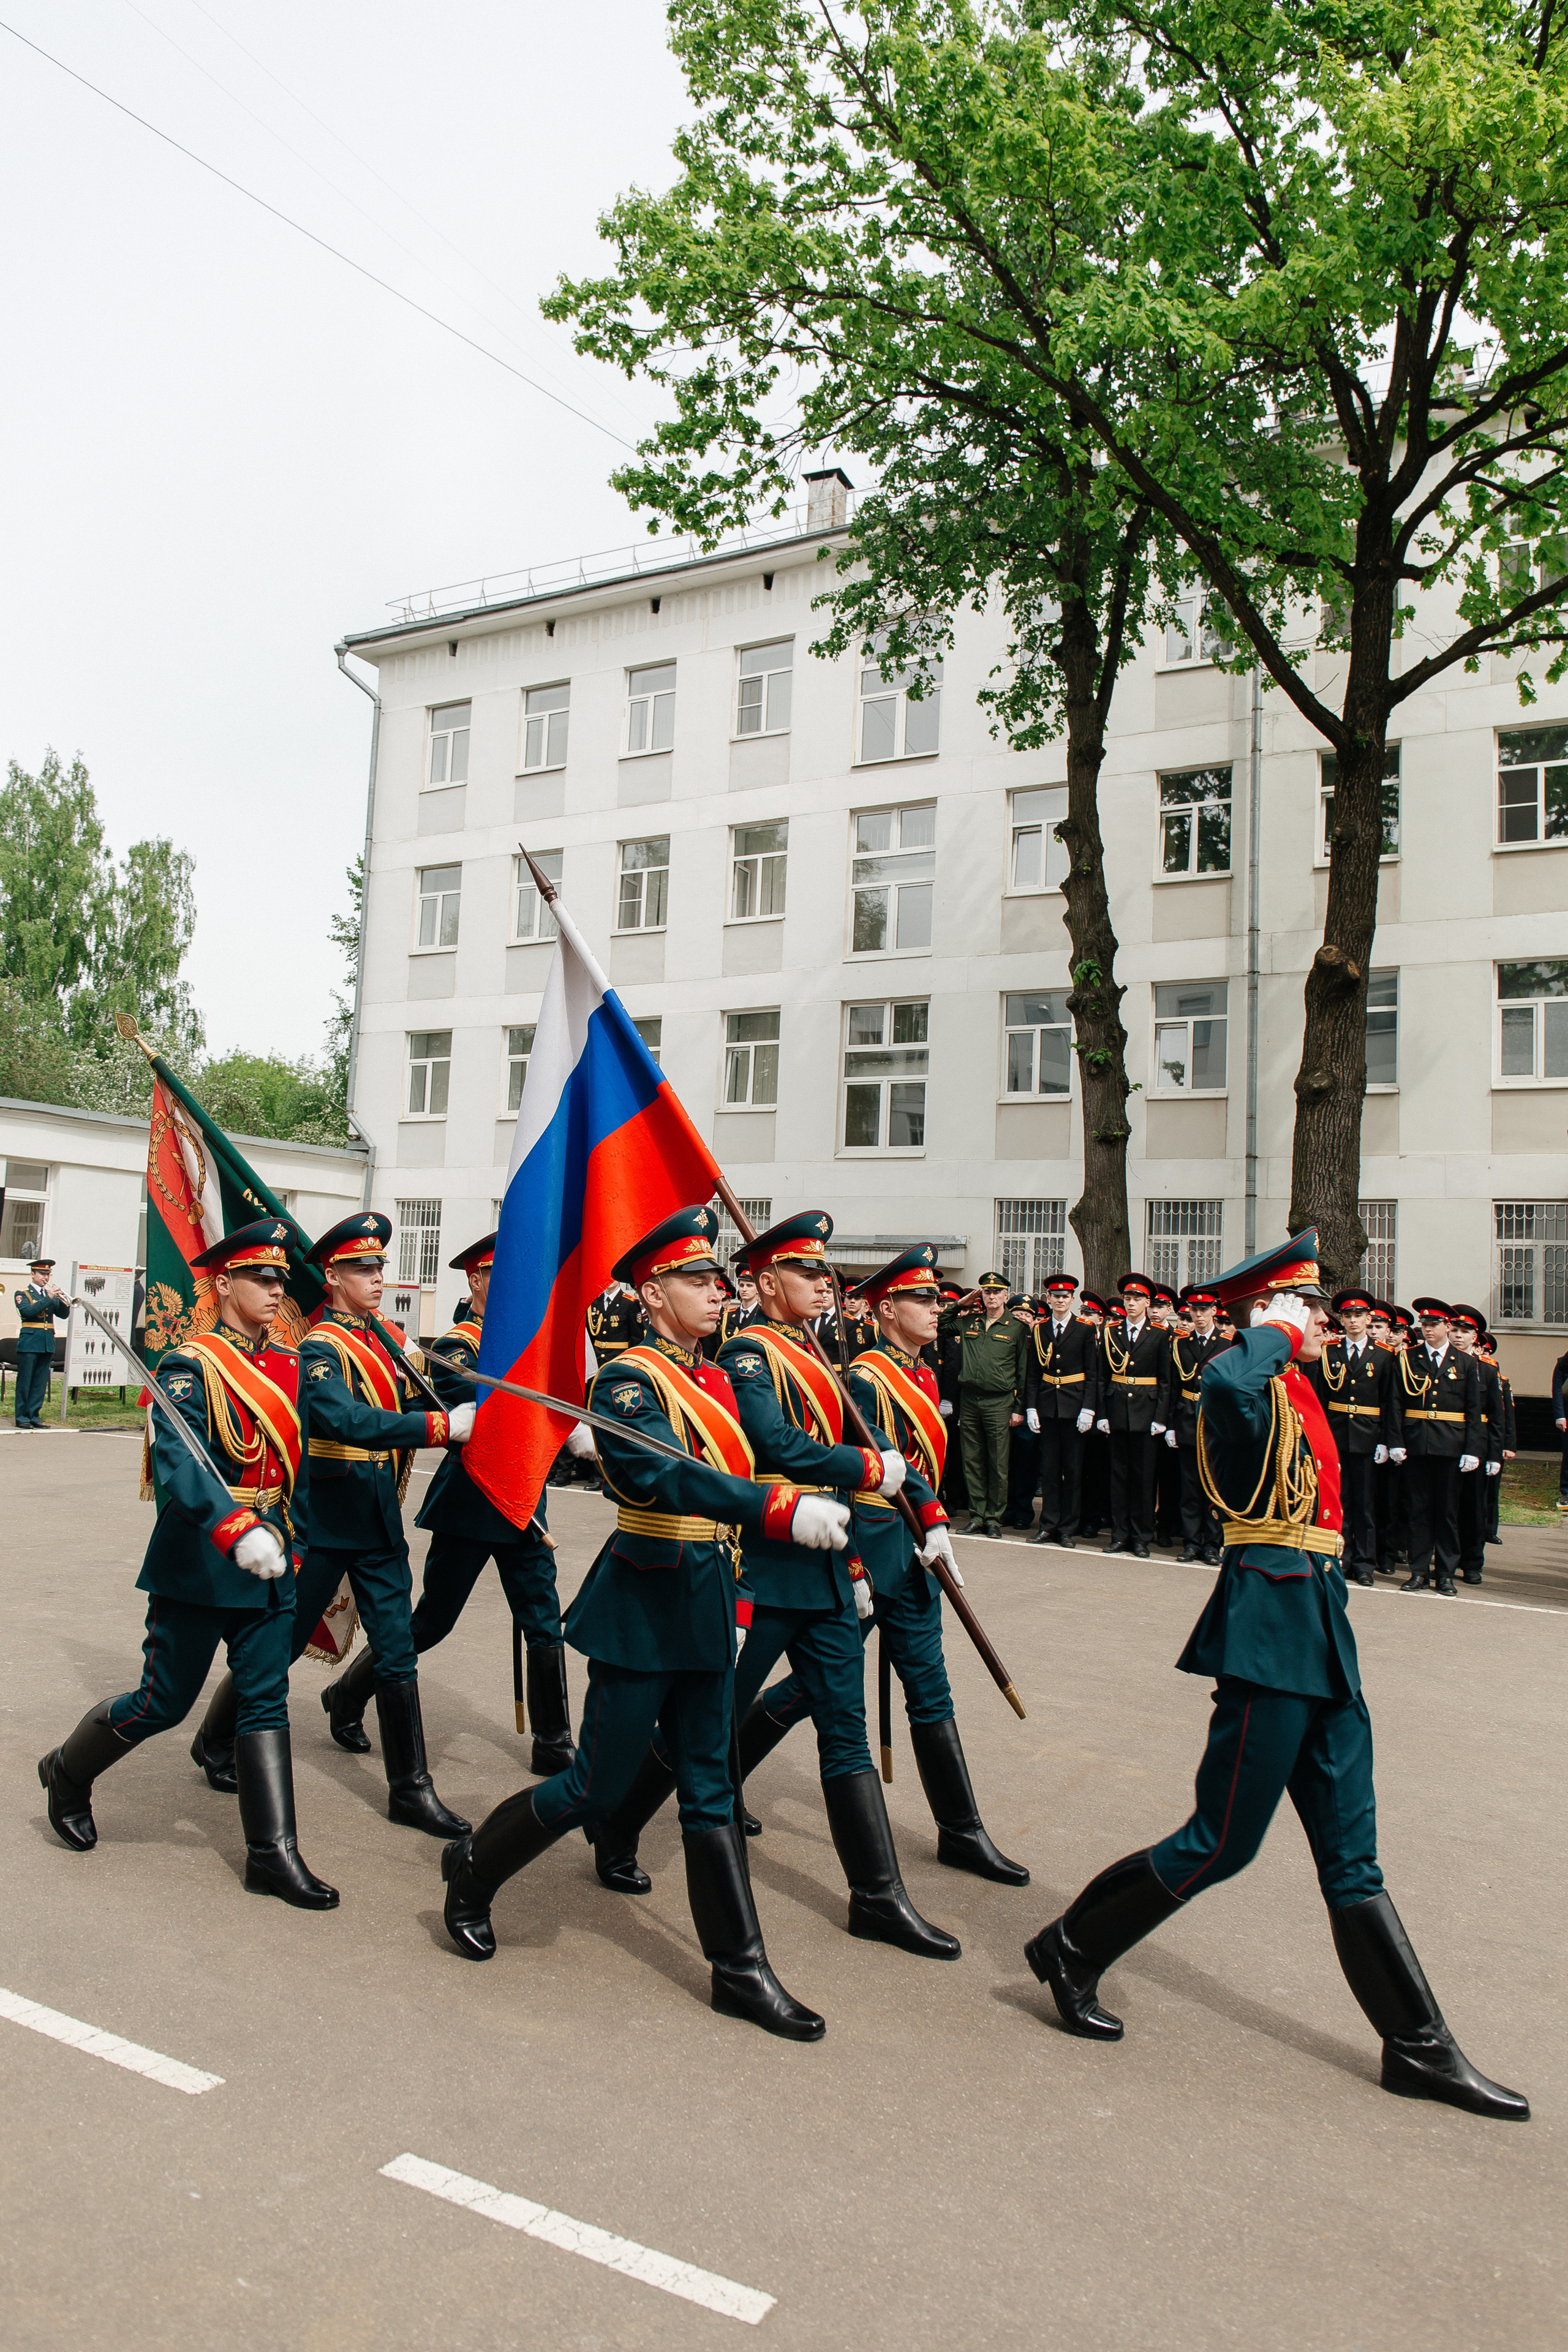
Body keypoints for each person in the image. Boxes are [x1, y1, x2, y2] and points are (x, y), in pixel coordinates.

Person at [1022, 1231, 1528, 2122]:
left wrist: (1285, 1345)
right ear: (1279, 1318)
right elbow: (1222, 1381)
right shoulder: (1248, 1381)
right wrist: (1273, 1333)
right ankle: (1071, 1946)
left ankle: (1420, 2048)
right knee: (1223, 1841)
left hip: (1317, 1624)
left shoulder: (1295, 1387)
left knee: (1351, 1855)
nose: (1330, 1322)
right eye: (1313, 1309)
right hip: (1269, 1629)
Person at [440, 1205, 843, 2040]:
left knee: (709, 1786)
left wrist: (749, 1582)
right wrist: (777, 1508)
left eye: (719, 1282)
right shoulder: (624, 1381)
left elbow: (742, 1473)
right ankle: (475, 1870)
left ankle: (743, 1971)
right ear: (652, 1294)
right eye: (697, 1281)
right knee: (596, 1784)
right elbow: (671, 1479)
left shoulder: (716, 1378)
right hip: (646, 1599)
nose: (717, 1294)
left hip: (706, 1595)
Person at [587, 1211, 961, 1960]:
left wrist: (920, 1502)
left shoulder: (820, 1351)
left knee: (844, 1728)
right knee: (711, 1716)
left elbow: (869, 1436)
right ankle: (619, 1824)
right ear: (765, 1283)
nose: (825, 1284)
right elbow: (772, 1444)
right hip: (761, 1560)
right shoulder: (750, 1353)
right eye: (807, 1273)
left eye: (826, 1273)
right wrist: (861, 1471)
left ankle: (877, 1896)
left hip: (823, 1562)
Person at [37, 1221, 337, 1907]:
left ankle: (273, 1854)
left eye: (280, 1280)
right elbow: (177, 1460)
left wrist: (298, 1544)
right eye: (260, 1278)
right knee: (163, 1702)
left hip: (272, 1554)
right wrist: (235, 1529)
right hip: (204, 1558)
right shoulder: (188, 1365)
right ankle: (68, 1771)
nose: (274, 1290)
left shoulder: (289, 1363)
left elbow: (304, 1465)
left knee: (264, 1702)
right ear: (223, 1283)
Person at [732, 1246, 1028, 1884]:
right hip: (863, 1545)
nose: (936, 1309)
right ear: (887, 1307)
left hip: (911, 1551)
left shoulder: (922, 1372)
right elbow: (868, 1459)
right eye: (923, 1299)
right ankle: (721, 1774)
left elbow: (908, 1464)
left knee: (929, 1688)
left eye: (938, 1299)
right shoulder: (864, 1376)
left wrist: (936, 1523)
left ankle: (962, 1831)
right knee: (815, 1687)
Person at [187, 1213, 475, 1831]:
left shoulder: (382, 1340)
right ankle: (214, 1740)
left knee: (397, 1654)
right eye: (362, 1269)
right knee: (280, 1647)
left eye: (378, 1267)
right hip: (323, 1521)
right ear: (332, 1276)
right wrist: (437, 1428)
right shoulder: (319, 1347)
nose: (376, 1278)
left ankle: (410, 1788)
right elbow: (346, 1421)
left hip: (377, 1521)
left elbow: (419, 1401)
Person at [315, 1233, 575, 1775]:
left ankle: (553, 1741)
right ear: (477, 1281)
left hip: (524, 1496)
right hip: (474, 1500)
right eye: (499, 1275)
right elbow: (465, 1415)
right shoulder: (461, 1343)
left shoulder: (528, 1340)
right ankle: (347, 1695)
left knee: (542, 1617)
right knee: (433, 1620)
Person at [1388, 1298, 1483, 1597]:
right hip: (1416, 1442)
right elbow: (1395, 1403)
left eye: (1434, 1325)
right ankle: (1418, 1573)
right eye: (1424, 1325)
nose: (1427, 1329)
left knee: (1447, 1513)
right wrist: (1395, 1441)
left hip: (1451, 1444)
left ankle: (1445, 1574)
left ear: (1447, 1327)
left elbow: (1473, 1410)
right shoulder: (1407, 1359)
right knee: (1418, 1510)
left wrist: (1472, 1449)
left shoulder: (1465, 1362)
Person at [1312, 1287, 1398, 1587]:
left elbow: (1390, 1402)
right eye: (1347, 1316)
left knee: (1364, 1505)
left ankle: (1364, 1563)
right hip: (1335, 1434)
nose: (1352, 1321)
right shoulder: (1329, 1351)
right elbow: (1320, 1399)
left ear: (1368, 1318)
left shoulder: (1386, 1356)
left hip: (1368, 1436)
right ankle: (1339, 1558)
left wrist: (1388, 1440)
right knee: (1337, 1500)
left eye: (1358, 1315)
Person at [938, 1272, 1028, 1537]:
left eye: (996, 1292)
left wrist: (1018, 1407)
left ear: (1005, 1296)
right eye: (986, 1292)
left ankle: (994, 1520)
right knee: (973, 1460)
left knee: (998, 1463)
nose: (991, 1297)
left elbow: (1022, 1371)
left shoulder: (1016, 1328)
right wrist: (961, 1304)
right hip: (970, 1399)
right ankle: (977, 1516)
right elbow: (941, 1324)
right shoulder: (969, 1322)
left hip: (999, 1401)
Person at [1024, 1273, 1099, 1549]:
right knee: (1050, 1470)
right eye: (1055, 1296)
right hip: (1047, 1406)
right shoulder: (1040, 1328)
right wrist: (1031, 1407)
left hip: (1074, 1406)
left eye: (1065, 1297)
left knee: (1073, 1470)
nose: (1060, 1300)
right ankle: (1048, 1525)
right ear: (1048, 1299)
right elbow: (1033, 1373)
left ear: (1072, 1300)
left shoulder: (1085, 1328)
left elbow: (1092, 1373)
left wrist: (1088, 1409)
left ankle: (1068, 1528)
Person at [1158, 1284, 1230, 1563]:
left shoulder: (1227, 1344)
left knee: (1213, 1487)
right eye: (1194, 1310)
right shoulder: (1179, 1344)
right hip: (1187, 1418)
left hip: (1215, 1421)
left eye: (1204, 1310)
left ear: (1214, 1311)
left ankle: (1212, 1544)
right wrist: (1171, 1424)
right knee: (1189, 1486)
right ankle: (1190, 1542)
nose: (1198, 1316)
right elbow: (1172, 1386)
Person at [1099, 1275, 1167, 1558]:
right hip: (1117, 1411)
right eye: (1128, 1299)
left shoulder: (1161, 1334)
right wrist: (1102, 1413)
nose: (1131, 1304)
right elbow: (1103, 1376)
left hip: (1146, 1412)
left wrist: (1161, 1417)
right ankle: (1120, 1534)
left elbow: (1166, 1380)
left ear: (1147, 1303)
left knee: (1143, 1478)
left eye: (1137, 1299)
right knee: (1118, 1477)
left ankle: (1141, 1537)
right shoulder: (1111, 1331)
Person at [1446, 1307, 1505, 1586]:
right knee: (1447, 1506)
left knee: (1473, 1508)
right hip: (1447, 1442)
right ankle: (1446, 1561)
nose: (1458, 1336)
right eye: (1455, 1330)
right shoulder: (1442, 1364)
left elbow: (1496, 1416)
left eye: (1465, 1332)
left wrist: (1495, 1454)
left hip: (1477, 1445)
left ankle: (1472, 1562)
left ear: (1475, 1337)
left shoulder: (1487, 1370)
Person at [13, 1255, 69, 1428]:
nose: (46, 1278)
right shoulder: (22, 1294)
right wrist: (49, 1298)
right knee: (25, 1381)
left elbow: (63, 1315)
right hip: (30, 1343)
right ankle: (22, 1416)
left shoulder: (49, 1295)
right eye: (42, 1274)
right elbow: (29, 1312)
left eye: (48, 1274)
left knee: (39, 1383)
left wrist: (62, 1300)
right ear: (33, 1274)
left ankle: (34, 1415)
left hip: (46, 1343)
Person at [1476, 1335, 1515, 1545]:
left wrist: (1509, 1445)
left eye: (1488, 1352)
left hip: (1494, 1441)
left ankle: (1490, 1528)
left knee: (1492, 1491)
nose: (1485, 1354)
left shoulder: (1501, 1381)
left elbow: (1507, 1416)